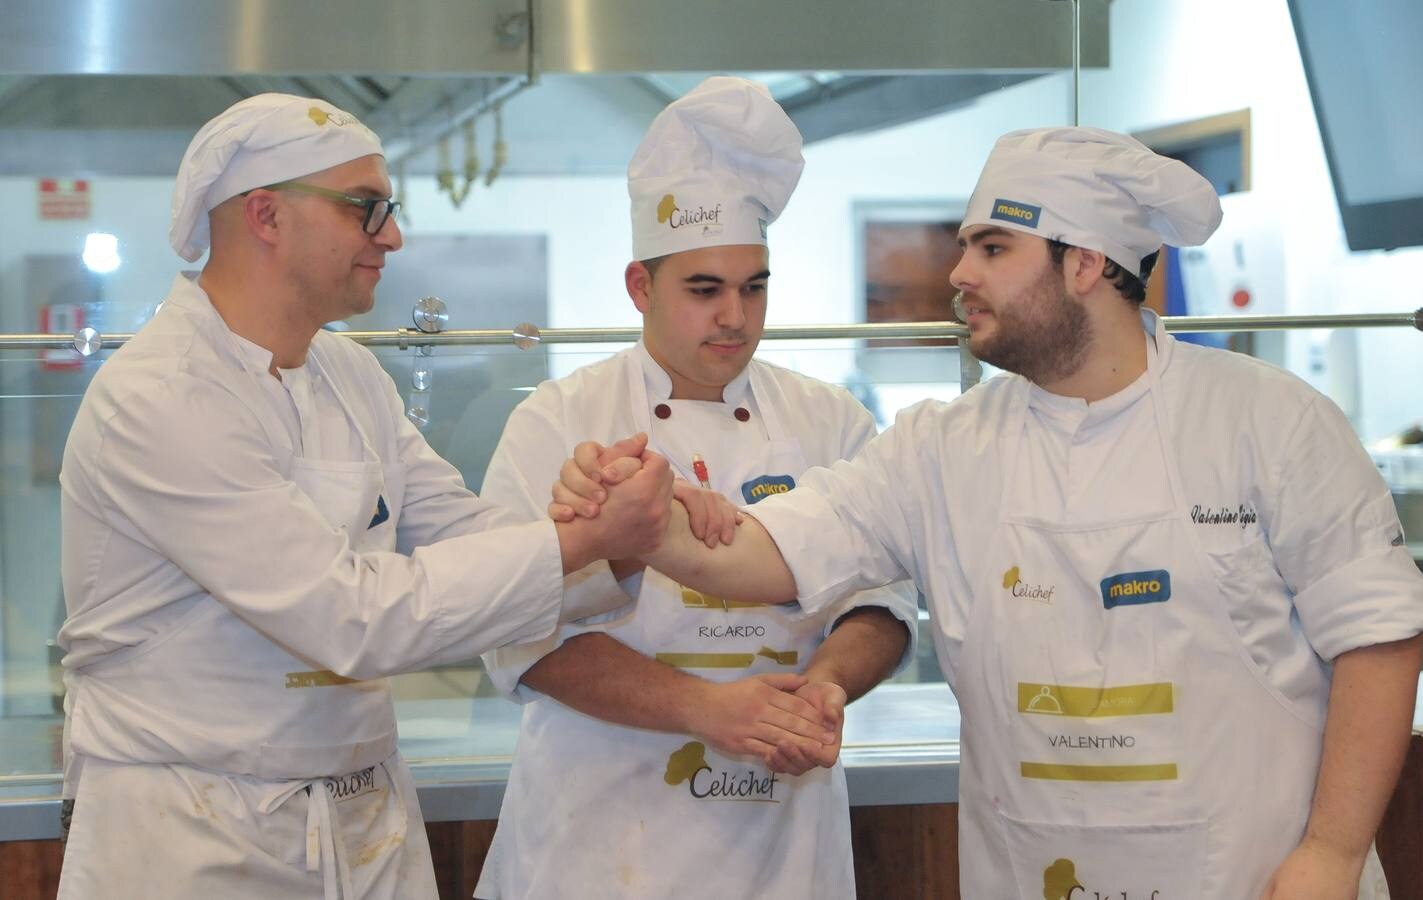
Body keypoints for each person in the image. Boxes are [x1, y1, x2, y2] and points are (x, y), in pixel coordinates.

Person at [556, 127, 1423, 899]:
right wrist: (637, 516)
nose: (957, 273)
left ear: (1083, 263)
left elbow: (1379, 637)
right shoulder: (940, 446)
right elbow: (758, 554)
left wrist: (1333, 851)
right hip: (1031, 871)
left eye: (992, 247)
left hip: (1253, 877)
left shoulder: (1270, 421)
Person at [55, 93, 671, 900]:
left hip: (361, 814)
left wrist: (603, 532)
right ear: (267, 216)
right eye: (365, 208)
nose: (392, 236)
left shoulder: (349, 375)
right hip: (192, 831)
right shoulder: (160, 396)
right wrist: (576, 545)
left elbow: (457, 533)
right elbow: (349, 616)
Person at [471, 76, 916, 900]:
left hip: (780, 836)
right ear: (640, 287)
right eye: (704, 290)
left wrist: (820, 690)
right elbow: (516, 637)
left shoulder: (829, 420)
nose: (735, 318)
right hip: (600, 839)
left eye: (754, 287)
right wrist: (704, 709)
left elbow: (883, 605)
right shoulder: (559, 420)